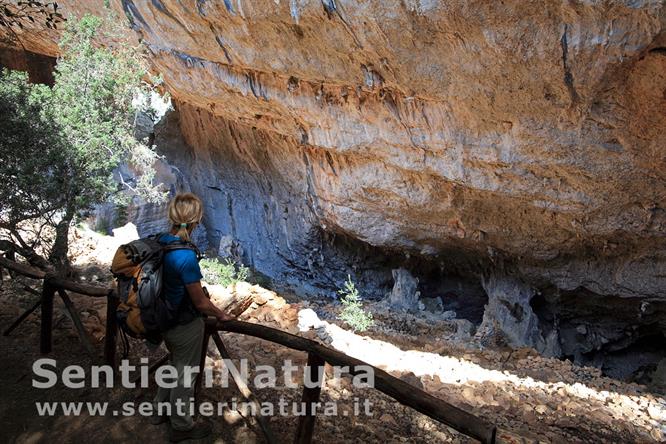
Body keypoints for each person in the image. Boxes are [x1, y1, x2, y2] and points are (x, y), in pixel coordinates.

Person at [151, 192, 234, 442]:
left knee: (174, 366)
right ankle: (182, 426)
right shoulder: (185, 256)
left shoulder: (160, 242)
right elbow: (199, 301)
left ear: (172, 216)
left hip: (162, 317)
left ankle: (158, 409)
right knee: (186, 375)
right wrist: (222, 314)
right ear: (196, 219)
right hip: (183, 324)